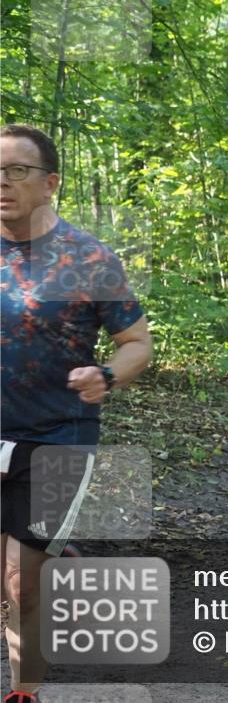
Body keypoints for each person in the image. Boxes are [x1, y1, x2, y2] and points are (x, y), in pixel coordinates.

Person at [1, 124, 152, 702]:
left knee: (22, 582)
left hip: (58, 436)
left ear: (51, 183)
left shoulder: (88, 259)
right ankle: (60, 559)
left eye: (17, 171)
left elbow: (136, 343)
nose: (3, 182)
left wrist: (106, 375)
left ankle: (24, 692)